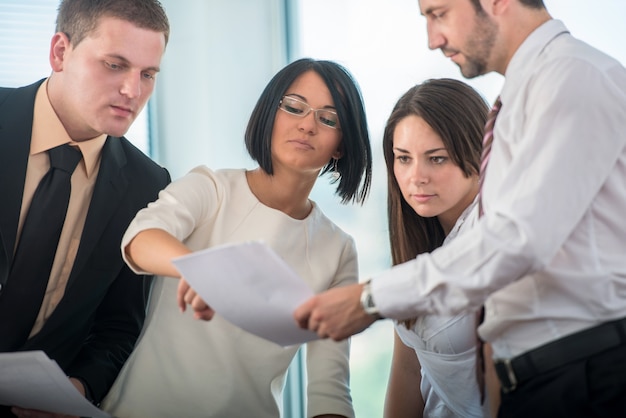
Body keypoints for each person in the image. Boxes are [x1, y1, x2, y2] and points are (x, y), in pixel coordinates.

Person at [294, 1, 626, 417]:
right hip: (552, 375)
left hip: (583, 370)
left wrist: (371, 299)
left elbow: (517, 239)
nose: (433, 39)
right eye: (403, 158)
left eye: (439, 13)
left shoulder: (572, 78)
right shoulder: (527, 96)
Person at [100, 57, 373, 418]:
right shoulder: (211, 187)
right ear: (269, 115)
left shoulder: (337, 250)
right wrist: (201, 271)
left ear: (341, 144)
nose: (307, 125)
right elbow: (141, 238)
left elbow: (329, 389)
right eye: (294, 107)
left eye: (328, 118)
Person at [0, 0, 170, 416]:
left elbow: (118, 326)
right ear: (60, 52)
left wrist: (79, 387)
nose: (133, 91)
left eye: (147, 74)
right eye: (115, 65)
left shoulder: (148, 185)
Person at [382, 79, 490, 418]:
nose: (416, 177)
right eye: (403, 158)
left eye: (437, 158)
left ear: (478, 154)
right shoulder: (417, 242)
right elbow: (407, 370)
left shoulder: (497, 234)